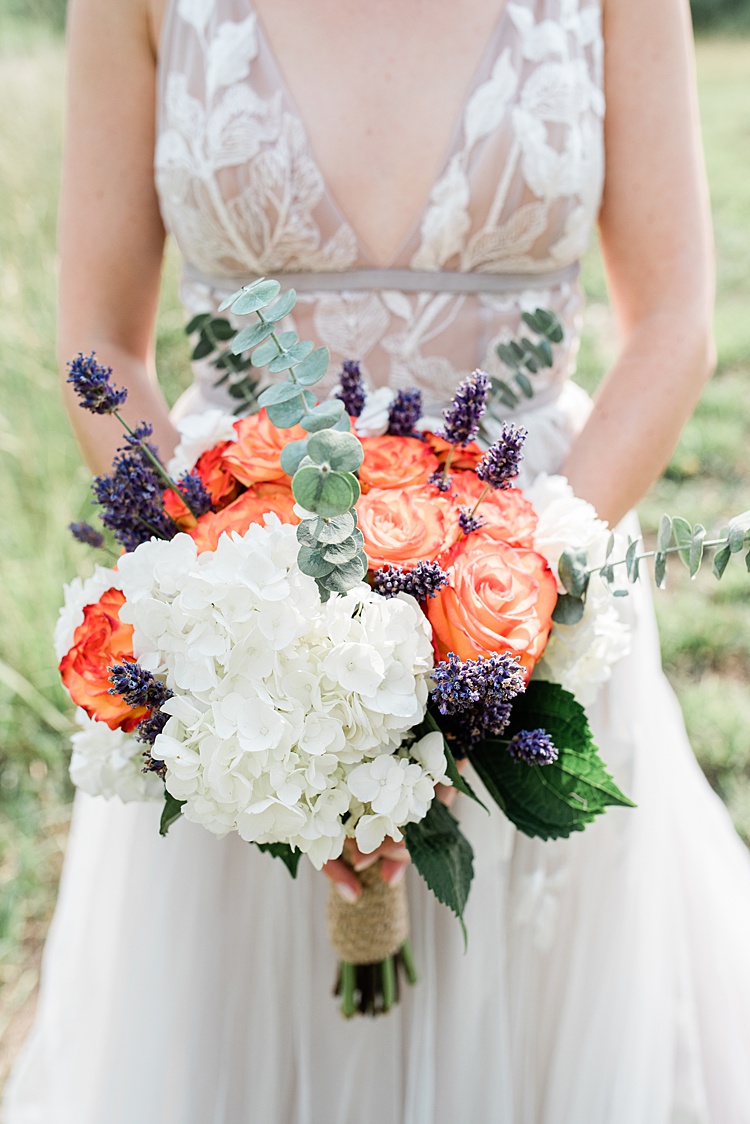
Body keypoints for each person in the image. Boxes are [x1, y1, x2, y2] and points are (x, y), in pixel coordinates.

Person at [5, 0, 750, 1121]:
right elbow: (100, 341)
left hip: (531, 591)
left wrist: (514, 597)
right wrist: (232, 623)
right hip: (239, 612)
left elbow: (675, 322)